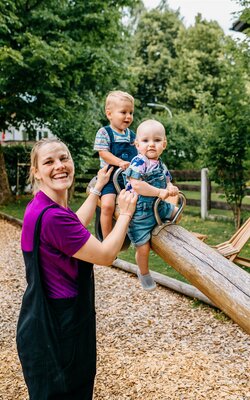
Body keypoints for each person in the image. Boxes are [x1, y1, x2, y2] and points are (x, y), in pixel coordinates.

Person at [16, 138, 137, 400]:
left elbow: (74, 227)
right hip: (60, 331)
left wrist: (97, 190)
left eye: (64, 158)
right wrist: (126, 213)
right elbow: (105, 255)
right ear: (36, 171)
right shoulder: (53, 217)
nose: (59, 166)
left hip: (42, 326)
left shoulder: (43, 205)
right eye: (48, 162)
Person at [124, 119, 179, 291]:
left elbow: (168, 180)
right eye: (146, 140)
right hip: (140, 212)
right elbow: (137, 185)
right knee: (143, 247)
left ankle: (170, 232)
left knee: (176, 211)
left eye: (156, 140)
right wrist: (158, 192)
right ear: (137, 144)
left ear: (164, 144)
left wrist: (170, 188)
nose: (151, 145)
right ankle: (144, 272)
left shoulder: (161, 164)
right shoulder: (139, 162)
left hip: (158, 206)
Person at [93, 90, 137, 239]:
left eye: (131, 112)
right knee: (107, 206)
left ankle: (132, 235)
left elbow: (139, 154)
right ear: (109, 114)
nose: (128, 116)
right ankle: (107, 241)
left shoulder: (132, 135)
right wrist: (119, 162)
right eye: (123, 112)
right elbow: (103, 153)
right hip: (110, 178)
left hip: (128, 179)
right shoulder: (104, 133)